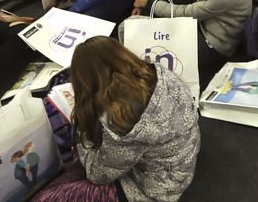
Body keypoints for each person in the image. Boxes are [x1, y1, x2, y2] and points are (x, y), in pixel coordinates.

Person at [31, 36, 200, 202]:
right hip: (179, 157)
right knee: (67, 179)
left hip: (157, 187)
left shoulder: (124, 119)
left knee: (47, 197)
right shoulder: (155, 73)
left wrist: (84, 124)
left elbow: (97, 175)